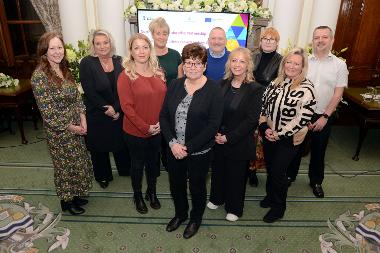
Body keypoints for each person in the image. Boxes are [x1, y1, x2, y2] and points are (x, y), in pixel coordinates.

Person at [160, 43, 223, 239]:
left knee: (197, 186)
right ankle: (180, 214)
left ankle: (196, 218)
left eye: (197, 63)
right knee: (176, 184)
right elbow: (163, 116)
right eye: (188, 63)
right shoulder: (175, 85)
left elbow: (213, 125)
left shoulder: (214, 89)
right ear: (183, 65)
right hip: (174, 149)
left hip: (199, 152)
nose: (192, 67)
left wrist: (187, 147)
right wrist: (172, 143)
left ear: (204, 66)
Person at [31, 32, 93, 215]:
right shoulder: (39, 76)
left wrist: (83, 117)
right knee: (64, 166)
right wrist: (71, 127)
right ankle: (67, 202)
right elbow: (48, 111)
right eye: (52, 48)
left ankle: (75, 194)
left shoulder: (64, 69)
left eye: (60, 47)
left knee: (78, 162)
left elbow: (76, 97)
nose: (57, 52)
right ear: (44, 52)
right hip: (59, 132)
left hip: (76, 126)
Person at [287, 26, 349, 198]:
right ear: (312, 40)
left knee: (318, 150)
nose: (320, 40)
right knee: (296, 147)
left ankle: (316, 181)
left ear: (332, 40)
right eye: (316, 37)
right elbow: (295, 86)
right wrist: (301, 115)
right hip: (300, 114)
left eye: (324, 37)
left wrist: (325, 117)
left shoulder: (340, 65)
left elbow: (338, 94)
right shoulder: (304, 62)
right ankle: (290, 176)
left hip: (324, 115)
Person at [259, 47, 316, 223]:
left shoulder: (308, 88)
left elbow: (302, 118)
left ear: (302, 67)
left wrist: (279, 133)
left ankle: (279, 207)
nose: (291, 66)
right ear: (283, 64)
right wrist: (264, 128)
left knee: (278, 172)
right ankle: (270, 196)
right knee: (270, 168)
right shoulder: (275, 82)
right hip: (269, 135)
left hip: (289, 139)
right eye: (289, 62)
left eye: (296, 63)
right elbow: (263, 106)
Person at [207, 47, 264, 222]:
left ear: (248, 65)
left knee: (236, 176)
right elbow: (213, 111)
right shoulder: (221, 84)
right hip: (218, 138)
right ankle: (217, 198)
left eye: (242, 61)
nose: (237, 64)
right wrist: (216, 132)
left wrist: (229, 137)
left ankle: (234, 208)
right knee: (218, 171)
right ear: (229, 63)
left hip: (239, 140)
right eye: (234, 60)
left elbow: (251, 120)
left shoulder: (255, 89)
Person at [117, 33, 166, 214]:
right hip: (135, 131)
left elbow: (164, 101)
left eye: (145, 47)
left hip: (158, 129)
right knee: (137, 165)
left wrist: (161, 123)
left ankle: (151, 192)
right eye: (136, 47)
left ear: (150, 49)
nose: (141, 51)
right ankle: (137, 195)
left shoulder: (159, 72)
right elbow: (127, 108)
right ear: (130, 51)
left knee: (153, 164)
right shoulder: (125, 76)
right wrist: (146, 127)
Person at [80, 29, 130, 189]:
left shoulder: (120, 61)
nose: (102, 46)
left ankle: (125, 169)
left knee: (120, 143)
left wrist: (116, 109)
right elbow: (89, 90)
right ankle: (102, 175)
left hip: (117, 110)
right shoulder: (87, 62)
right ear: (93, 46)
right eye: (98, 43)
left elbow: (125, 88)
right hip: (96, 112)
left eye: (105, 42)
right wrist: (106, 109)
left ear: (111, 43)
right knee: (99, 147)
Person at [248, 27, 283, 187]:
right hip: (249, 101)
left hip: (268, 105)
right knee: (248, 137)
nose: (268, 41)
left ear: (277, 43)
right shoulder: (252, 56)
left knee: (261, 140)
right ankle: (248, 168)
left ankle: (254, 170)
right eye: (265, 39)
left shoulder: (282, 61)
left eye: (272, 39)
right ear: (260, 41)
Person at [149, 17, 183, 171]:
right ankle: (154, 163)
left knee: (170, 130)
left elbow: (181, 79)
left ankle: (168, 159)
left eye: (164, 33)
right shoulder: (147, 55)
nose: (161, 36)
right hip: (152, 100)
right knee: (154, 132)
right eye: (158, 33)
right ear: (152, 35)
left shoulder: (176, 55)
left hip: (171, 100)